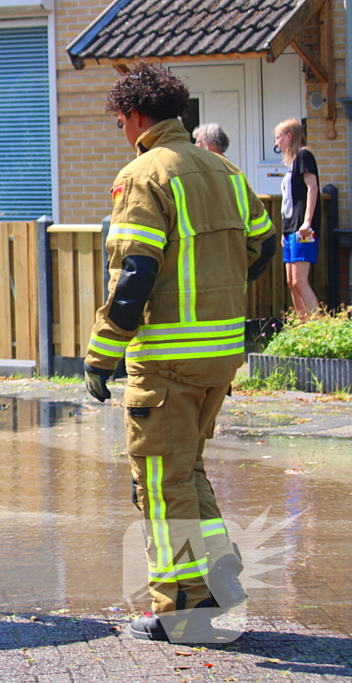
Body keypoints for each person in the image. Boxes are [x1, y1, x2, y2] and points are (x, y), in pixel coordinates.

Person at [83, 64, 276, 644]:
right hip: (220, 355)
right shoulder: (225, 170)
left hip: (166, 359)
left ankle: (182, 608)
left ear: (137, 117)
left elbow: (135, 273)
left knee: (160, 485)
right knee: (186, 468)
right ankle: (215, 573)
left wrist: (100, 354)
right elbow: (263, 246)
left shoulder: (143, 174)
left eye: (121, 120)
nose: (122, 130)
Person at [275, 118, 320, 319]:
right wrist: (285, 231)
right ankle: (302, 328)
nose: (277, 143)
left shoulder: (304, 155)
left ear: (289, 137)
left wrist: (307, 222)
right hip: (291, 230)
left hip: (304, 230)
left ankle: (318, 329)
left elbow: (312, 187)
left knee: (301, 281)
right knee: (292, 282)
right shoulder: (292, 163)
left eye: (279, 138)